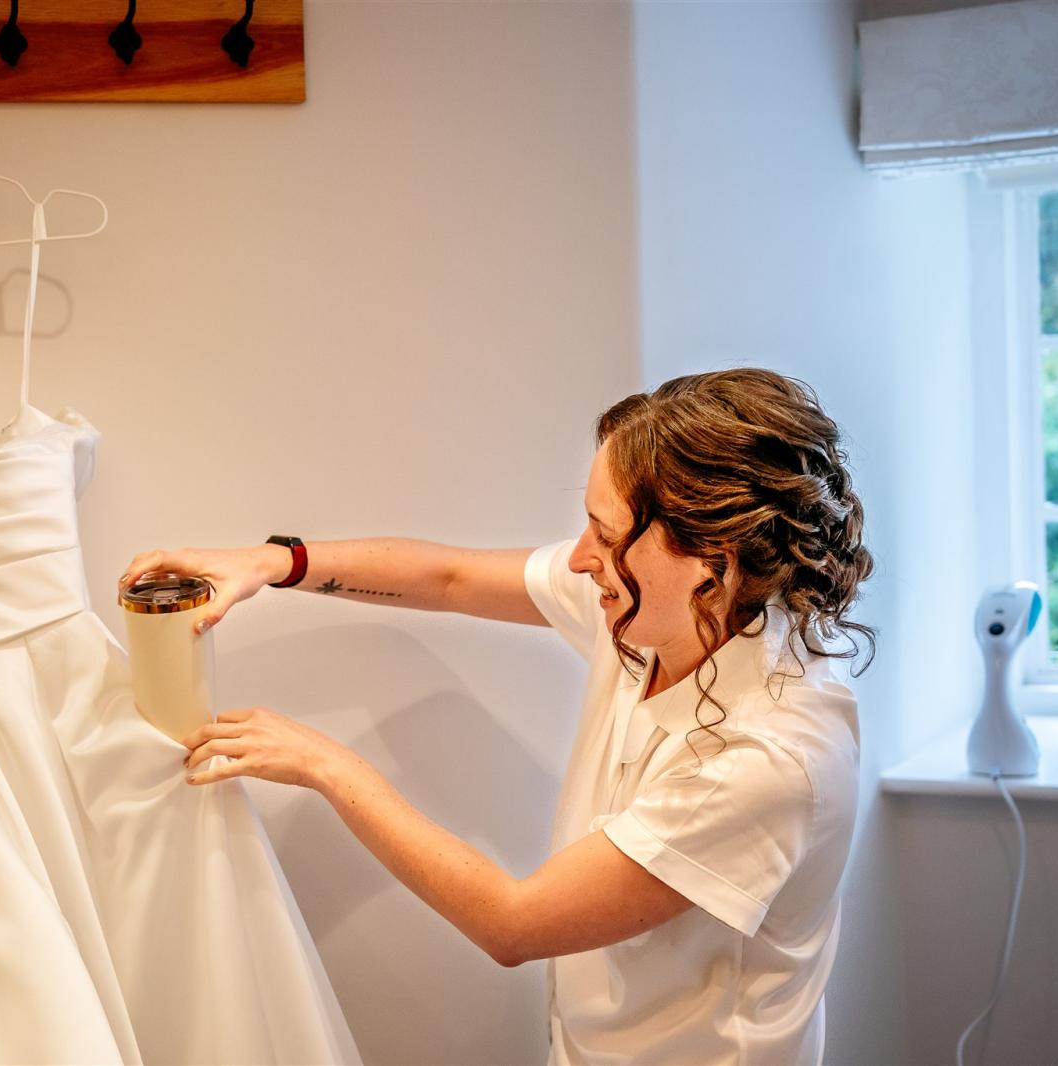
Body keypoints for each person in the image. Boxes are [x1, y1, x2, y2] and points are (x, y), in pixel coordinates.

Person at [117, 367, 874, 1065]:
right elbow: (449, 578)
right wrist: (272, 562)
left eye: (606, 538)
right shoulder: (661, 610)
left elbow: (514, 924)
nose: (580, 560)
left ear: (716, 560)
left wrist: (328, 765)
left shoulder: (771, 758)